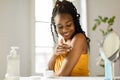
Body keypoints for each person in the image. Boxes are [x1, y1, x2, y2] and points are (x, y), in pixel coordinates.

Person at [48, 0, 90, 76]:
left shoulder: (78, 39)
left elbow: (62, 75)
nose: (65, 30)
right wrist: (55, 54)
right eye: (60, 27)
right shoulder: (62, 42)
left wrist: (51, 76)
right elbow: (49, 70)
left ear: (74, 22)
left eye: (68, 25)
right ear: (55, 27)